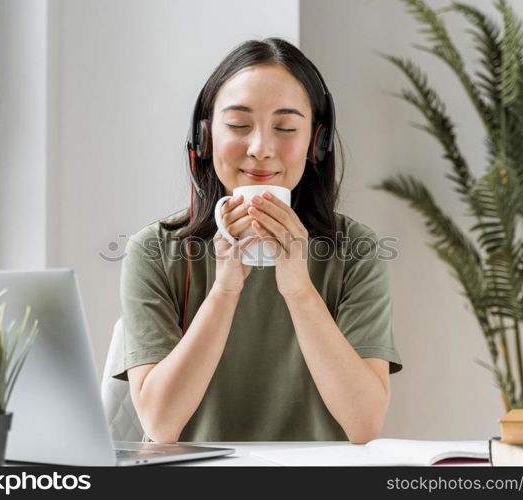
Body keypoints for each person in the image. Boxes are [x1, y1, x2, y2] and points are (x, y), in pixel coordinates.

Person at [111, 37, 402, 444]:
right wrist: (225, 289)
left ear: (316, 142)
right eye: (238, 125)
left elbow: (364, 424)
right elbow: (160, 425)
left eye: (285, 128)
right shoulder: (156, 251)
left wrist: (299, 289)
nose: (261, 149)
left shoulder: (356, 250)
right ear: (205, 136)